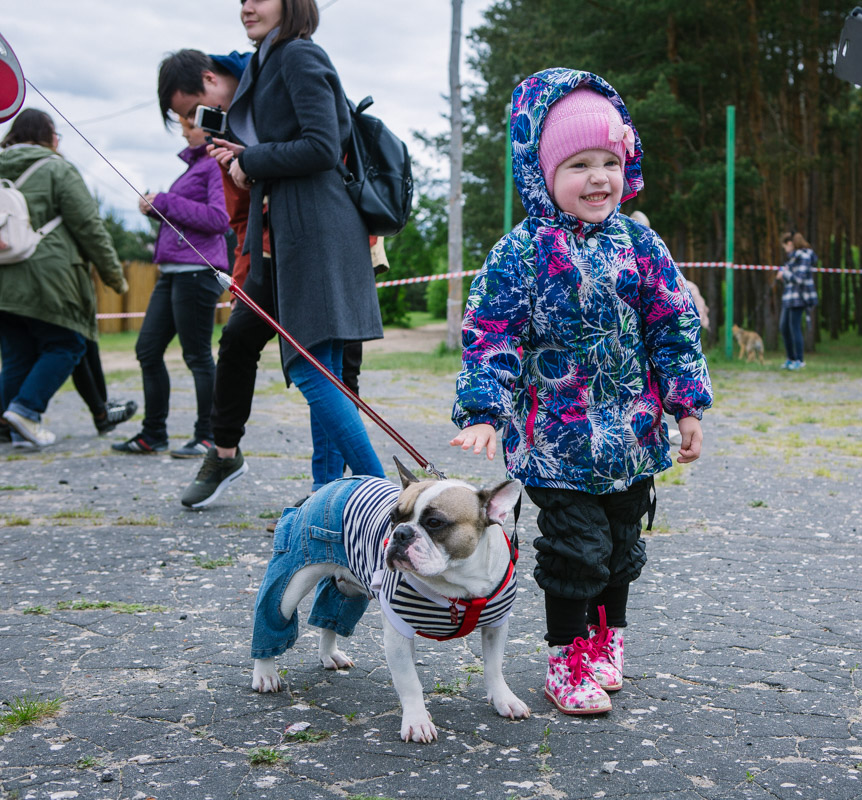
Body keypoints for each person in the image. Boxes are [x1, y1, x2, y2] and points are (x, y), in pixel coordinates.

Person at [450, 69, 713, 716]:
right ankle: (565, 658)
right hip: (556, 441)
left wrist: (686, 406)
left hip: (633, 435)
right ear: (543, 174)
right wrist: (483, 410)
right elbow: (491, 333)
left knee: (622, 547)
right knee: (577, 551)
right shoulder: (521, 253)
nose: (599, 178)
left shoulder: (640, 243)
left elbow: (673, 324)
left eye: (609, 163)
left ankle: (606, 641)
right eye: (579, 165)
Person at [182, 0, 385, 508]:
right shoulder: (269, 59)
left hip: (317, 229)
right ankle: (326, 496)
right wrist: (246, 160)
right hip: (301, 227)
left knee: (310, 367)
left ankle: (382, 494)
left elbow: (322, 145)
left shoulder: (298, 54)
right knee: (326, 366)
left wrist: (251, 159)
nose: (247, 6)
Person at [0, 109, 129, 448]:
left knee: (17, 356)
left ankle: (9, 425)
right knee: (67, 343)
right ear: (49, 136)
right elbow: (89, 227)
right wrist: (114, 276)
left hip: (4, 280)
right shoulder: (57, 169)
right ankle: (26, 410)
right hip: (50, 278)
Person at [112, 115, 229, 458]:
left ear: (210, 128)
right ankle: (153, 435)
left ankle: (209, 436)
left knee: (197, 355)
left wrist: (163, 201)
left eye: (189, 125)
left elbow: (218, 219)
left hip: (197, 272)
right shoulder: (193, 168)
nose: (183, 132)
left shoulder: (213, 165)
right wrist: (156, 209)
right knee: (147, 350)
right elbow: (186, 217)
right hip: (172, 272)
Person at [776, 231, 818, 370]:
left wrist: (784, 274)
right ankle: (791, 359)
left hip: (799, 298)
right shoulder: (792, 258)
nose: (785, 250)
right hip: (789, 297)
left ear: (790, 244)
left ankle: (799, 360)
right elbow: (791, 278)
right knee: (784, 327)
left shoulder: (804, 256)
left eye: (785, 247)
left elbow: (799, 279)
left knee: (794, 328)